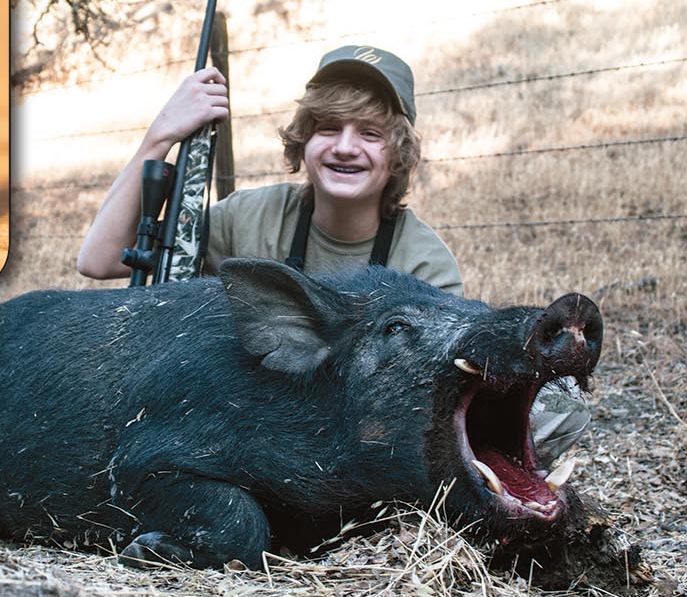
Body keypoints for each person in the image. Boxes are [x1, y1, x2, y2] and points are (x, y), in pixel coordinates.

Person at [76, 45, 587, 464]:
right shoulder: (246, 218)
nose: (345, 147)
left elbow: (440, 398)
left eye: (370, 133)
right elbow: (97, 261)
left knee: (560, 412)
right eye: (328, 128)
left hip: (350, 446)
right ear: (303, 141)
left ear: (399, 154)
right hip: (235, 439)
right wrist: (159, 137)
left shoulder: (424, 262)